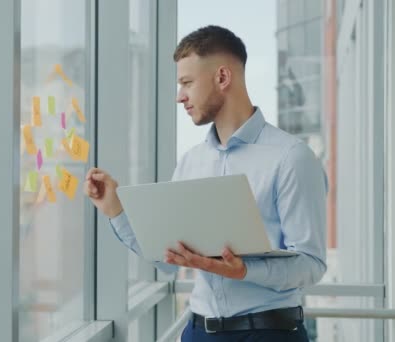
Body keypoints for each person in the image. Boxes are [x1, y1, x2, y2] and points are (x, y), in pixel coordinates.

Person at [83, 25, 327, 342]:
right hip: (199, 332)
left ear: (222, 78)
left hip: (268, 333)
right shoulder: (191, 162)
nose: (179, 96)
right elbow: (168, 261)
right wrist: (116, 210)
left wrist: (243, 271)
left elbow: (311, 264)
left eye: (187, 82)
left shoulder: (291, 157)